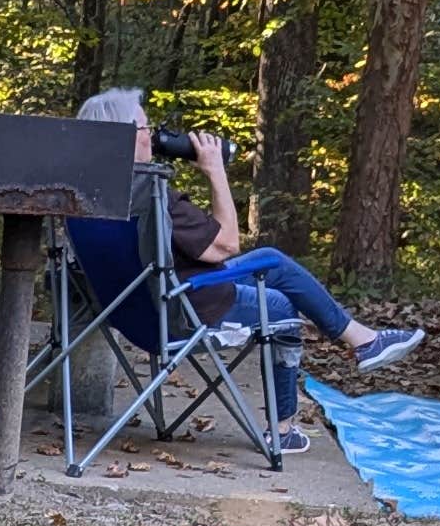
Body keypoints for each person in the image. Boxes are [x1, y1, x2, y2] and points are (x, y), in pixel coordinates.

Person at [66, 87, 422, 452]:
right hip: (182, 314)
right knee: (280, 301)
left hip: (131, 313)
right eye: (145, 129)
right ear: (125, 137)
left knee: (273, 265)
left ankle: (363, 341)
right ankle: (283, 426)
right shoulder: (152, 197)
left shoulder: (81, 193)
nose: (154, 137)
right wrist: (215, 171)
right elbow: (227, 244)